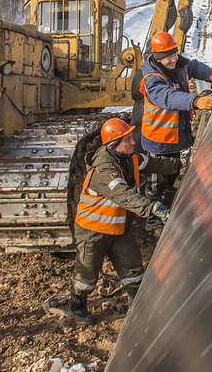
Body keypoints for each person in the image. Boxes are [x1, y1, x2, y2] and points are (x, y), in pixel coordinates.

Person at [69, 117, 180, 324]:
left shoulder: (129, 158)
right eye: (128, 139)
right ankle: (77, 306)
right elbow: (124, 195)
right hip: (94, 231)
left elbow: (152, 163)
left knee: (133, 270)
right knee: (87, 274)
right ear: (115, 144)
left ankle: (137, 305)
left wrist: (177, 164)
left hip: (119, 228)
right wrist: (154, 208)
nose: (133, 142)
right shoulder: (105, 170)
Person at [139, 31, 212, 206]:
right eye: (168, 57)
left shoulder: (178, 65)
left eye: (175, 54)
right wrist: (196, 101)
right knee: (157, 184)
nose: (174, 59)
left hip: (173, 138)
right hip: (158, 142)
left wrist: (210, 74)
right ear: (158, 58)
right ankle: (154, 217)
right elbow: (169, 97)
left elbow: (193, 66)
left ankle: (170, 204)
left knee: (173, 173)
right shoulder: (152, 80)